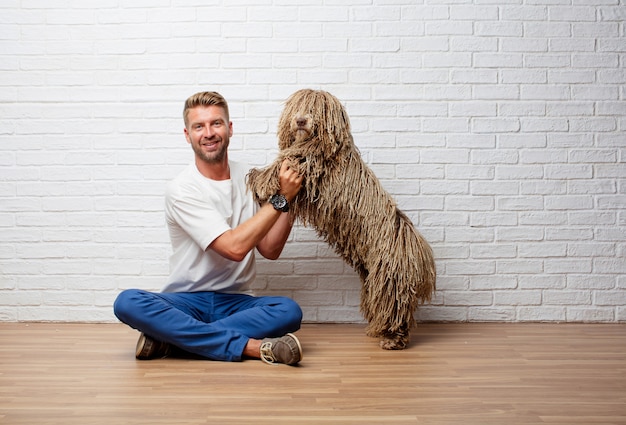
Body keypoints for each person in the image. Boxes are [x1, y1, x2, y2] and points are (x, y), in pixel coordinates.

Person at [113, 91, 304, 365]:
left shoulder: (252, 179)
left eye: (216, 123)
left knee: (289, 311)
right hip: (184, 303)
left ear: (230, 128)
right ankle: (251, 347)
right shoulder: (182, 189)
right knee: (127, 302)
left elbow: (270, 249)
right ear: (187, 134)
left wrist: (292, 197)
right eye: (198, 126)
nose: (209, 133)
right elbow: (235, 248)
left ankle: (174, 340)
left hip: (236, 303)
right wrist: (281, 198)